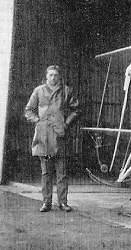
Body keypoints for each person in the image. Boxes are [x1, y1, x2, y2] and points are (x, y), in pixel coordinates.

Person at [25, 65, 80, 212]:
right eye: (50, 75)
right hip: (43, 136)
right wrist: (37, 121)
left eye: (56, 75)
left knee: (62, 172)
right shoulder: (38, 91)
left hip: (60, 135)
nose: (53, 78)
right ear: (46, 76)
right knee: (46, 172)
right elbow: (29, 110)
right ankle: (46, 202)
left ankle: (63, 202)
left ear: (59, 76)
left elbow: (76, 109)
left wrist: (66, 124)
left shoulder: (66, 91)